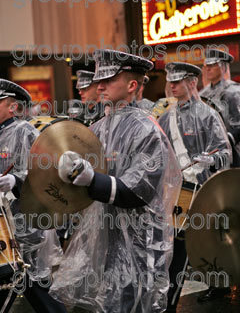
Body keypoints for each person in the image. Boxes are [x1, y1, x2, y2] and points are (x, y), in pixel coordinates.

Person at [50, 50, 182, 313]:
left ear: (132, 85)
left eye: (109, 80)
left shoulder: (145, 129)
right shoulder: (99, 127)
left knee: (136, 304)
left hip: (140, 243)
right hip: (106, 241)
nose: (99, 85)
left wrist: (91, 180)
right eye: (99, 79)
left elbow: (137, 191)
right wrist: (68, 172)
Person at [158, 62, 232, 312]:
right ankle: (170, 300)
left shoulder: (207, 114)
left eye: (178, 81)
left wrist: (209, 160)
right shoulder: (166, 116)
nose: (173, 86)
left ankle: (220, 282)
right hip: (179, 193)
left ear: (192, 82)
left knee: (213, 239)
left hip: (204, 189)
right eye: (171, 81)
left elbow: (225, 152)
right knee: (178, 246)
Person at [0, 79, 67, 312]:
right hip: (3, 228)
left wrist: (16, 180)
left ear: (12, 107)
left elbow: (46, 170)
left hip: (26, 226)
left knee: (38, 288)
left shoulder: (24, 130)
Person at [200, 49, 240, 167]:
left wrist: (226, 139)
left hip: (234, 149)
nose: (208, 68)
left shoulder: (234, 91)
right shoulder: (203, 93)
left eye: (213, 65)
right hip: (209, 149)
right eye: (207, 65)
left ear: (223, 67)